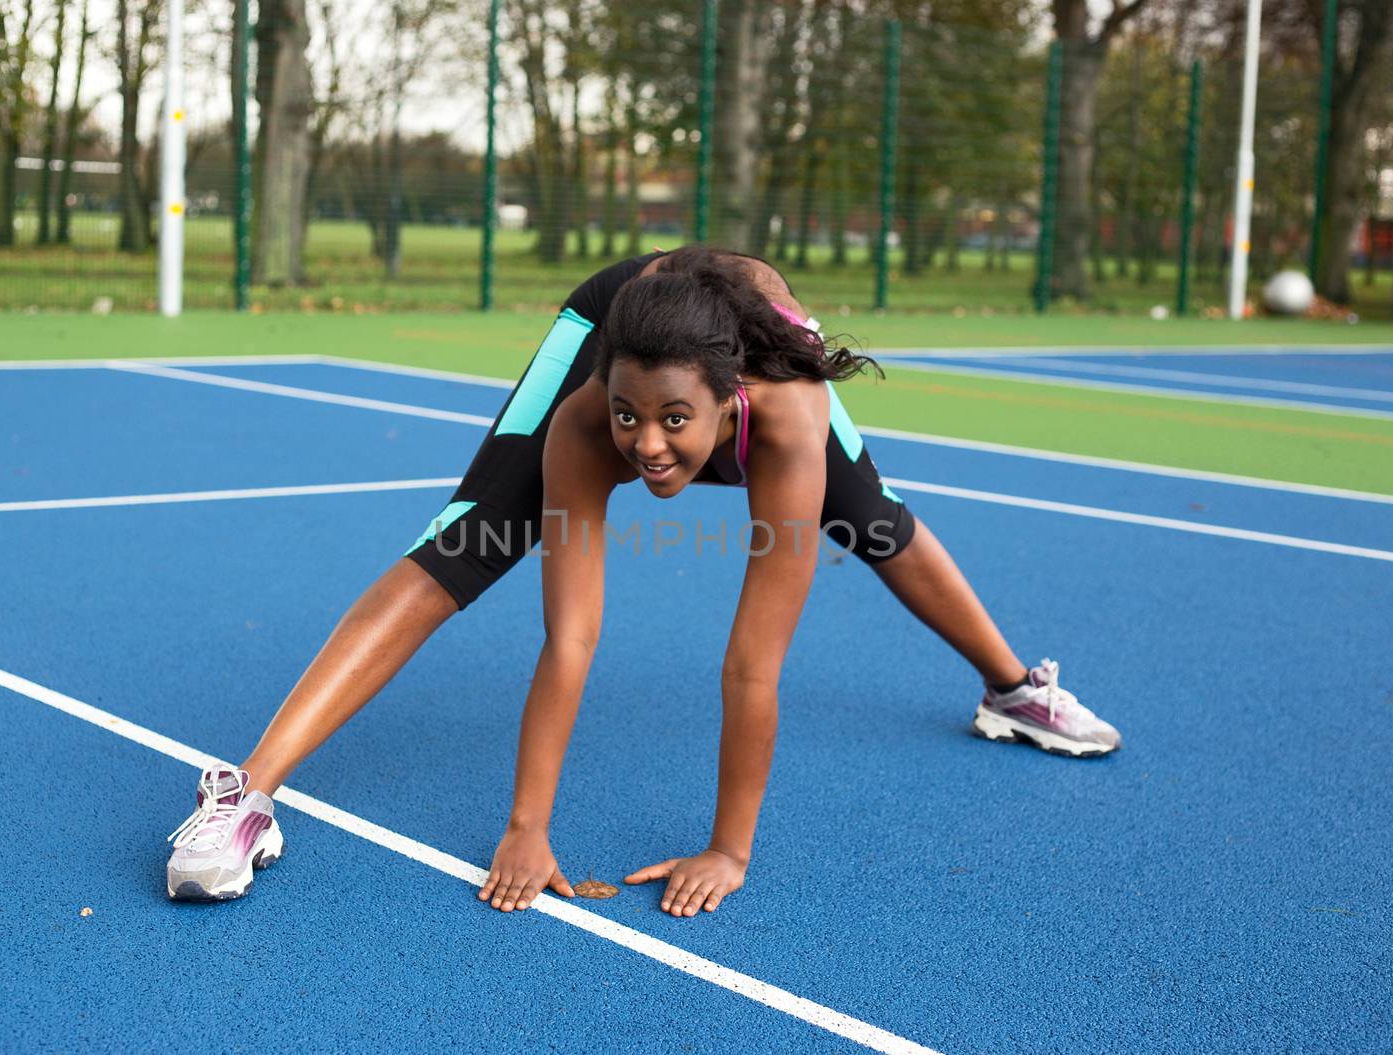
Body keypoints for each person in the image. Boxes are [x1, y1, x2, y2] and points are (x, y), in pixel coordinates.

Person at [163, 247, 1120, 909]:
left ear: (727, 408)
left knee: (868, 516)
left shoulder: (789, 413)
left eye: (673, 425)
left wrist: (729, 849)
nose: (649, 450)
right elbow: (571, 635)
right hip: (620, 309)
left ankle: (1012, 691)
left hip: (734, 350)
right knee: (465, 544)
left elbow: (752, 664)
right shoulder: (593, 416)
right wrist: (526, 825)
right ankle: (244, 797)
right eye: (632, 422)